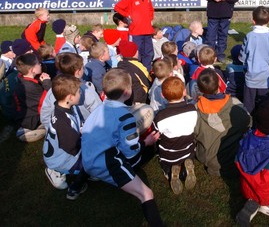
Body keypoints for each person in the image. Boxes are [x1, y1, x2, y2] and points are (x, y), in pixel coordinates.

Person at [81, 69, 163, 226]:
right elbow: (130, 152)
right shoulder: (125, 117)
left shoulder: (98, 110)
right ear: (127, 92)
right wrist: (146, 143)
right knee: (146, 193)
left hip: (87, 157)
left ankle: (75, 187)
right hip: (106, 162)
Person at [40, 52, 102, 190]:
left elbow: (45, 113)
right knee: (97, 162)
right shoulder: (86, 89)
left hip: (72, 133)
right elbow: (99, 114)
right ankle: (58, 170)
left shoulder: (56, 90)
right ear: (79, 71)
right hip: (69, 144)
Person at [194, 68, 251, 177]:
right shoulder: (236, 105)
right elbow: (249, 124)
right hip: (235, 156)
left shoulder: (195, 112)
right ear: (219, 82)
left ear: (200, 89)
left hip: (209, 159)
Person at [42, 74, 89, 200]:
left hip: (58, 152)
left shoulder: (61, 108)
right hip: (61, 159)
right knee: (92, 161)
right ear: (70, 97)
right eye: (79, 92)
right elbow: (71, 147)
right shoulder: (63, 122)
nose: (81, 94)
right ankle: (74, 188)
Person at [153, 76, 197, 194]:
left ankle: (169, 172)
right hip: (188, 149)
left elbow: (157, 132)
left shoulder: (161, 116)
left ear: (162, 95)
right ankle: (186, 168)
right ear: (184, 92)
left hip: (169, 153)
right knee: (188, 152)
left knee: (165, 162)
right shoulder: (192, 109)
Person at [240, 6, 269, 114]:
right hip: (266, 78)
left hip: (251, 76)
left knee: (248, 106)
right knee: (265, 105)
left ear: (253, 21)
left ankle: (248, 126)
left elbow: (242, 57)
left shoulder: (248, 36)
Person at [114, 0, 155, 72]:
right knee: (137, 52)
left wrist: (150, 19)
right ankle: (137, 71)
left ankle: (147, 71)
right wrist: (128, 15)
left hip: (147, 30)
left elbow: (151, 9)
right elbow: (117, 7)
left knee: (149, 52)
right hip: (136, 31)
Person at [14, 53, 51, 142]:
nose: (40, 64)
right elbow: (48, 100)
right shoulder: (31, 86)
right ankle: (36, 129)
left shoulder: (21, 79)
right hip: (32, 119)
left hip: (23, 116)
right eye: (38, 63)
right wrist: (47, 83)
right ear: (32, 70)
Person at [117, 40, 152, 105]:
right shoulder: (138, 65)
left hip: (127, 97)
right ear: (135, 53)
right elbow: (148, 80)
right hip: (140, 98)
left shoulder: (120, 64)